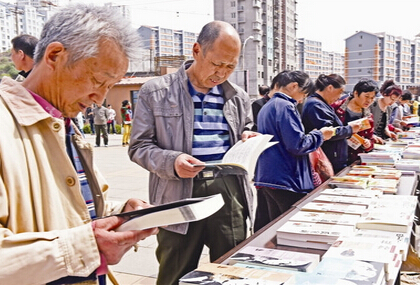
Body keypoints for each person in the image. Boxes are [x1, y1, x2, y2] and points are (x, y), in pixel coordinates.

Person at [0, 4, 158, 285]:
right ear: (55, 55)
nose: (100, 97)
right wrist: (86, 246)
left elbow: (73, 210)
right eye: (98, 80)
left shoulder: (65, 123)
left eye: (111, 86)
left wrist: (121, 214)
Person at [128, 20, 258, 285]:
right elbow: (139, 147)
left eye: (230, 66)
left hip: (228, 189)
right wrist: (171, 160)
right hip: (177, 191)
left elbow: (245, 127)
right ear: (197, 50)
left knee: (230, 270)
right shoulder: (156, 91)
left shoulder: (238, 96)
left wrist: (248, 136)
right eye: (217, 64)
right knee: (175, 269)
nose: (222, 73)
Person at [253, 70, 335, 231]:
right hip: (287, 179)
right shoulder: (285, 106)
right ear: (294, 86)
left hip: (271, 177)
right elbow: (297, 144)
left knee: (275, 228)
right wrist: (320, 135)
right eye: (303, 94)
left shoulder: (268, 106)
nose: (302, 99)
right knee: (291, 230)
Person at [301, 74, 362, 173]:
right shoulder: (316, 105)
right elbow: (329, 132)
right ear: (330, 88)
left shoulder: (321, 103)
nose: (339, 97)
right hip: (328, 159)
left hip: (332, 157)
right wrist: (350, 129)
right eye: (340, 92)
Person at [332, 78, 380, 165]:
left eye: (372, 98)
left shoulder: (368, 116)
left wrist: (368, 144)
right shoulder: (336, 107)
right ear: (356, 93)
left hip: (355, 160)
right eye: (366, 96)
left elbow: (370, 139)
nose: (369, 101)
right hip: (335, 157)